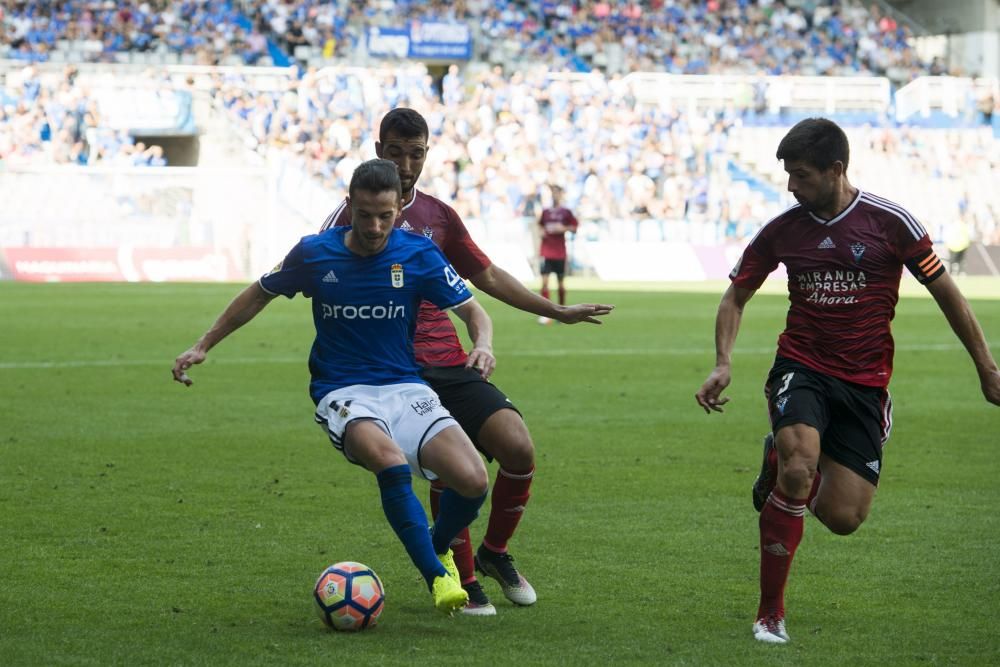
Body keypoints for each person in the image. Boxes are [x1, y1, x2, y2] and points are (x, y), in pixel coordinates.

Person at [694, 118, 1000, 644]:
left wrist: (987, 369)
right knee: (799, 467)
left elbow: (948, 294)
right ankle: (770, 614)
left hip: (864, 381)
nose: (792, 187)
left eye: (803, 176)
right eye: (788, 175)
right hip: (802, 367)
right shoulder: (782, 230)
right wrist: (723, 361)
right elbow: (736, 295)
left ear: (837, 169)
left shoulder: (892, 223)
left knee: (843, 517)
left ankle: (781, 461)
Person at [320, 108, 614, 615]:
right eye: (396, 153)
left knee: (517, 446)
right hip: (395, 373)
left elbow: (486, 275)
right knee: (447, 469)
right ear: (378, 151)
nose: (406, 165)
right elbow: (323, 280)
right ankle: (462, 577)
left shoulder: (438, 215)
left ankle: (494, 553)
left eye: (416, 154)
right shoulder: (353, 215)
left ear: (428, 154)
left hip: (449, 360)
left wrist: (554, 311)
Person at [173, 159, 497, 616]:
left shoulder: (418, 254)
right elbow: (258, 293)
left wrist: (482, 343)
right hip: (344, 391)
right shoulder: (315, 253)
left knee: (473, 480)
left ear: (401, 207)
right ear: (350, 205)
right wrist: (204, 343)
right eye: (365, 214)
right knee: (389, 461)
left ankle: (437, 545)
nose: (375, 225)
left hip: (406, 388)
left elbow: (473, 311)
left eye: (386, 215)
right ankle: (437, 577)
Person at [536, 185, 580, 325]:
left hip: (559, 252)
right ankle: (545, 313)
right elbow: (540, 225)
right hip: (546, 251)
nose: (554, 196)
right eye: (552, 193)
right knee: (544, 282)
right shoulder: (546, 212)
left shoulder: (566, 212)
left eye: (556, 193)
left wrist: (564, 228)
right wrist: (541, 231)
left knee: (560, 283)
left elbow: (574, 228)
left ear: (561, 195)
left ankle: (562, 312)